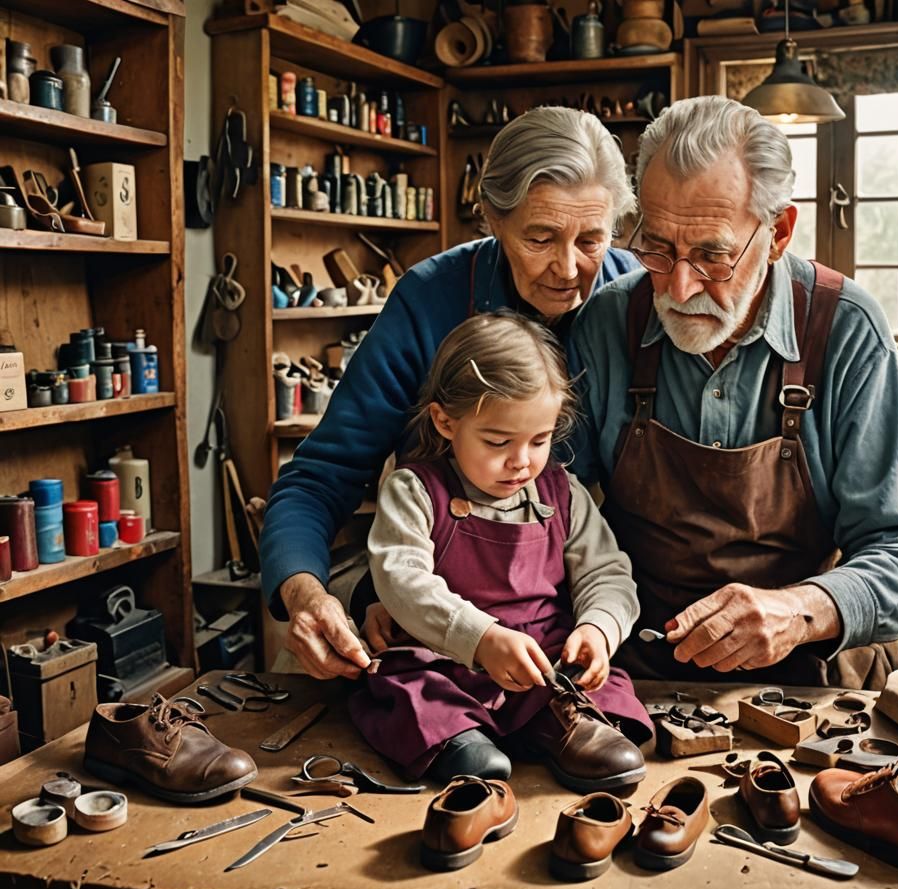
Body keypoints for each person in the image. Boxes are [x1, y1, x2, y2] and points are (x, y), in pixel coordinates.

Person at [570, 96, 898, 689]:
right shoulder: (607, 323)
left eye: (712, 255)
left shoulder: (845, 328)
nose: (678, 285)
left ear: (777, 233)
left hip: (809, 679)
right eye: (657, 247)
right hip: (634, 672)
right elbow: (543, 507)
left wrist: (802, 611)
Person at [259, 106, 639, 680]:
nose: (568, 268)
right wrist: (305, 593)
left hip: (584, 609)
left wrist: (602, 617)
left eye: (592, 239)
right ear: (491, 217)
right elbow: (321, 476)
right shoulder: (428, 300)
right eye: (540, 237)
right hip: (432, 599)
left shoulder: (639, 301)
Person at [350, 312, 651, 789]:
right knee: (407, 688)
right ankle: (461, 738)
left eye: (540, 440)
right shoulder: (415, 489)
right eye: (497, 441)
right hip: (443, 658)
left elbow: (607, 573)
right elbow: (401, 580)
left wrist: (599, 627)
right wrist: (481, 639)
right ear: (445, 422)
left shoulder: (563, 493)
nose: (522, 461)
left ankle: (562, 723)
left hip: (541, 663)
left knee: (596, 686)